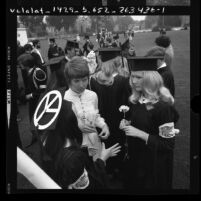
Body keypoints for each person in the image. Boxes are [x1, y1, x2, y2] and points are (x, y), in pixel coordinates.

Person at [120, 57, 179, 190]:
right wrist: (127, 122)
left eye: (139, 77)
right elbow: (142, 120)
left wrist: (141, 134)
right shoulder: (135, 100)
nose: (134, 81)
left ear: (150, 79)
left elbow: (168, 144)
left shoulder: (163, 108)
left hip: (153, 167)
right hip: (136, 161)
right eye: (132, 77)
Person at [89, 48, 131, 180]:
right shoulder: (123, 79)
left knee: (104, 144)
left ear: (101, 60)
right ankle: (118, 168)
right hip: (118, 121)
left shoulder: (93, 79)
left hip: (101, 121)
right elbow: (128, 103)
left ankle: (106, 167)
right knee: (118, 144)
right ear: (115, 61)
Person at [63, 57, 110, 161]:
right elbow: (61, 127)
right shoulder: (63, 98)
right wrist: (77, 126)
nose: (81, 84)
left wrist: (103, 125)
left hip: (93, 141)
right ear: (68, 80)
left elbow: (96, 115)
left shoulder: (93, 95)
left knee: (96, 167)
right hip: (75, 145)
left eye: (85, 80)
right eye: (76, 81)